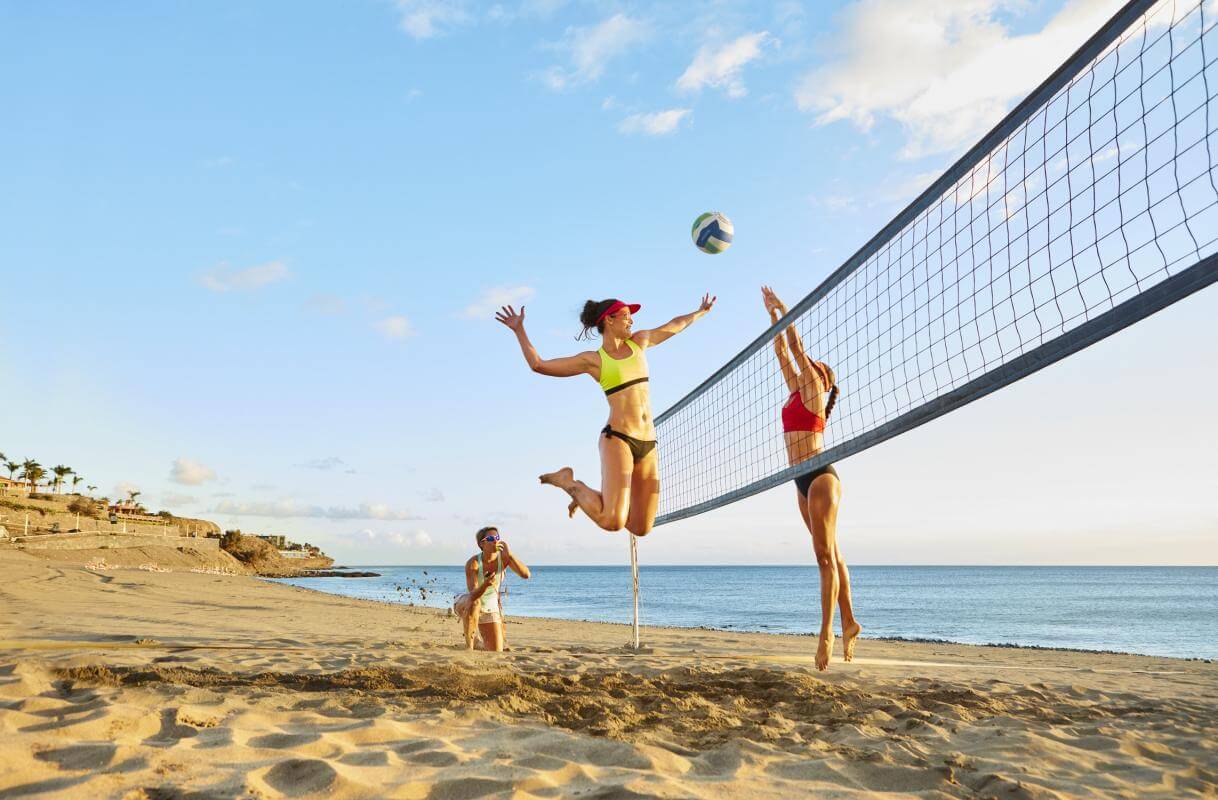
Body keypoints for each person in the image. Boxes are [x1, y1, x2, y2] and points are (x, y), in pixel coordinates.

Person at [495, 295, 715, 536]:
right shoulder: (594, 361)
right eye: (626, 315)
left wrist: (700, 312)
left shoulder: (640, 342)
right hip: (618, 438)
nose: (631, 320)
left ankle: (588, 498)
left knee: (641, 528)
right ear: (609, 320)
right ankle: (569, 482)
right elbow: (539, 365)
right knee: (613, 521)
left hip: (648, 443)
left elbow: (674, 325)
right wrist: (519, 329)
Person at [763, 285, 861, 671]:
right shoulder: (796, 393)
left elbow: (798, 350)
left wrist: (786, 311)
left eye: (815, 366)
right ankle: (851, 621)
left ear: (822, 378)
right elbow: (782, 353)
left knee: (823, 557)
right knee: (831, 553)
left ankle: (827, 635)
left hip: (821, 476)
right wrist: (774, 321)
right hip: (800, 480)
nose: (808, 366)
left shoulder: (815, 388)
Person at [452, 526, 531, 651]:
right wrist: (486, 584)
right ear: (481, 544)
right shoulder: (473, 563)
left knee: (495, 651)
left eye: (497, 538)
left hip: (490, 608)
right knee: (475, 604)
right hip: (466, 602)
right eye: (490, 538)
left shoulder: (504, 559)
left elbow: (526, 574)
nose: (495, 541)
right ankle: (469, 647)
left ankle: (478, 642)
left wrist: (509, 554)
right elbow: (473, 596)